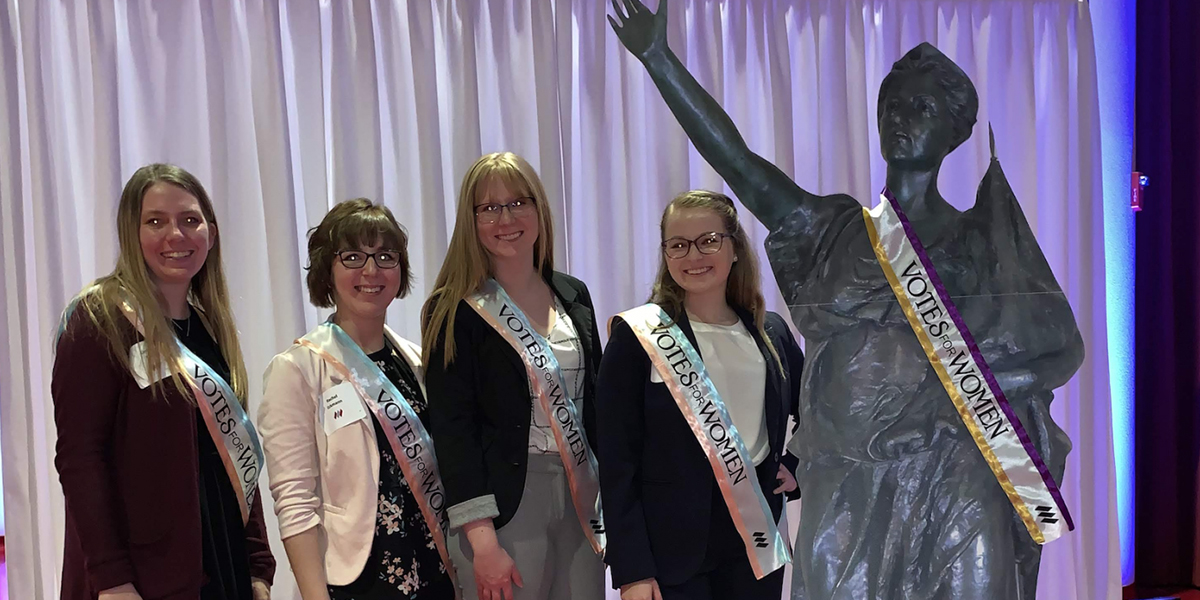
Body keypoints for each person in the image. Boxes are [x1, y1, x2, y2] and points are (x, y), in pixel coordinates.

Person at [609, 2, 1085, 598]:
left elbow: (1054, 347)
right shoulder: (831, 230)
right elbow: (739, 164)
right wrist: (660, 61)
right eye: (893, 104)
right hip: (847, 473)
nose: (901, 117)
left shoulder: (982, 243)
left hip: (956, 469)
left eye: (923, 107)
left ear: (956, 133)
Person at [52, 163, 275, 600]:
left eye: (190, 220)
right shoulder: (98, 320)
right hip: (141, 578)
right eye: (156, 221)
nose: (176, 235)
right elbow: (80, 459)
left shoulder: (212, 330)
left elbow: (233, 453)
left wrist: (257, 564)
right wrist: (112, 580)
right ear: (130, 232)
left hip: (220, 564)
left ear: (210, 231)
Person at [598, 190, 803, 600]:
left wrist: (798, 463)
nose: (694, 255)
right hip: (670, 553)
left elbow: (822, 408)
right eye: (678, 245)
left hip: (755, 542)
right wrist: (632, 570)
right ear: (666, 255)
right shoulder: (638, 338)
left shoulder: (772, 333)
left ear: (735, 247)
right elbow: (617, 461)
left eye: (709, 240)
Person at [421, 152, 606, 600]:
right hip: (505, 506)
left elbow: (596, 404)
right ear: (471, 221)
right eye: (489, 208)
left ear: (539, 208)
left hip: (581, 499)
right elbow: (453, 429)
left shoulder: (573, 293)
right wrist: (481, 539)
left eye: (518, 203)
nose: (506, 218)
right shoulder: (453, 309)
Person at [258, 199, 456, 600]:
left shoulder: (418, 362)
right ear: (326, 272)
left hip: (434, 569)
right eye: (353, 256)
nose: (371, 270)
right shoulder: (297, 369)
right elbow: (295, 501)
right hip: (356, 581)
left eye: (386, 256)